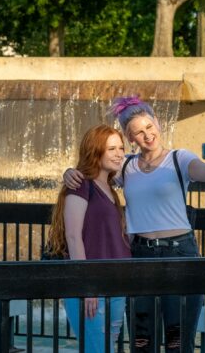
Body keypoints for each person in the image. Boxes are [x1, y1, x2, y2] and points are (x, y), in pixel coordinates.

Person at [63, 96, 205, 353]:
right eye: (138, 132)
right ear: (130, 138)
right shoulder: (126, 165)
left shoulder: (180, 158)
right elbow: (95, 169)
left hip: (179, 253)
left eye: (149, 127)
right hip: (140, 254)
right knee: (143, 341)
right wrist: (69, 172)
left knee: (178, 341)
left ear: (157, 123)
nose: (147, 135)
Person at [45, 124, 131, 353]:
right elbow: (73, 236)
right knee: (97, 349)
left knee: (108, 349)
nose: (119, 153)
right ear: (95, 151)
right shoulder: (81, 184)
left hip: (116, 284)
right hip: (92, 285)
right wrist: (87, 286)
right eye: (111, 148)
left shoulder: (111, 188)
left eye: (121, 148)